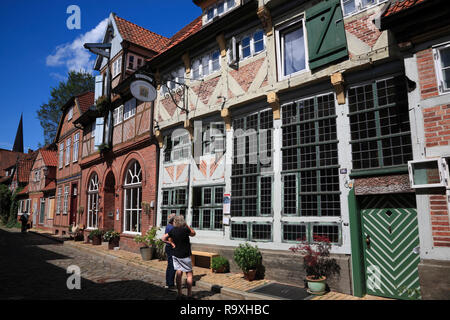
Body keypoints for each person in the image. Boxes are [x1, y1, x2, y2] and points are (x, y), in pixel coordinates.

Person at [162, 215, 196, 300]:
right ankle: (189, 295)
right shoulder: (185, 230)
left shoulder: (173, 230)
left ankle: (180, 293)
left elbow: (163, 238)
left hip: (176, 255)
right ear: (182, 222)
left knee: (179, 273)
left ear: (175, 222)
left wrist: (172, 244)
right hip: (185, 255)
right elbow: (193, 233)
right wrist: (187, 225)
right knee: (189, 275)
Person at [164, 214, 176, 289]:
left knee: (169, 265)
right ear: (173, 220)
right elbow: (170, 239)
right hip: (171, 248)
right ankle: (170, 284)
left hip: (168, 248)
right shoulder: (171, 228)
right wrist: (173, 244)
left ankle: (168, 282)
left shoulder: (168, 226)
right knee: (172, 266)